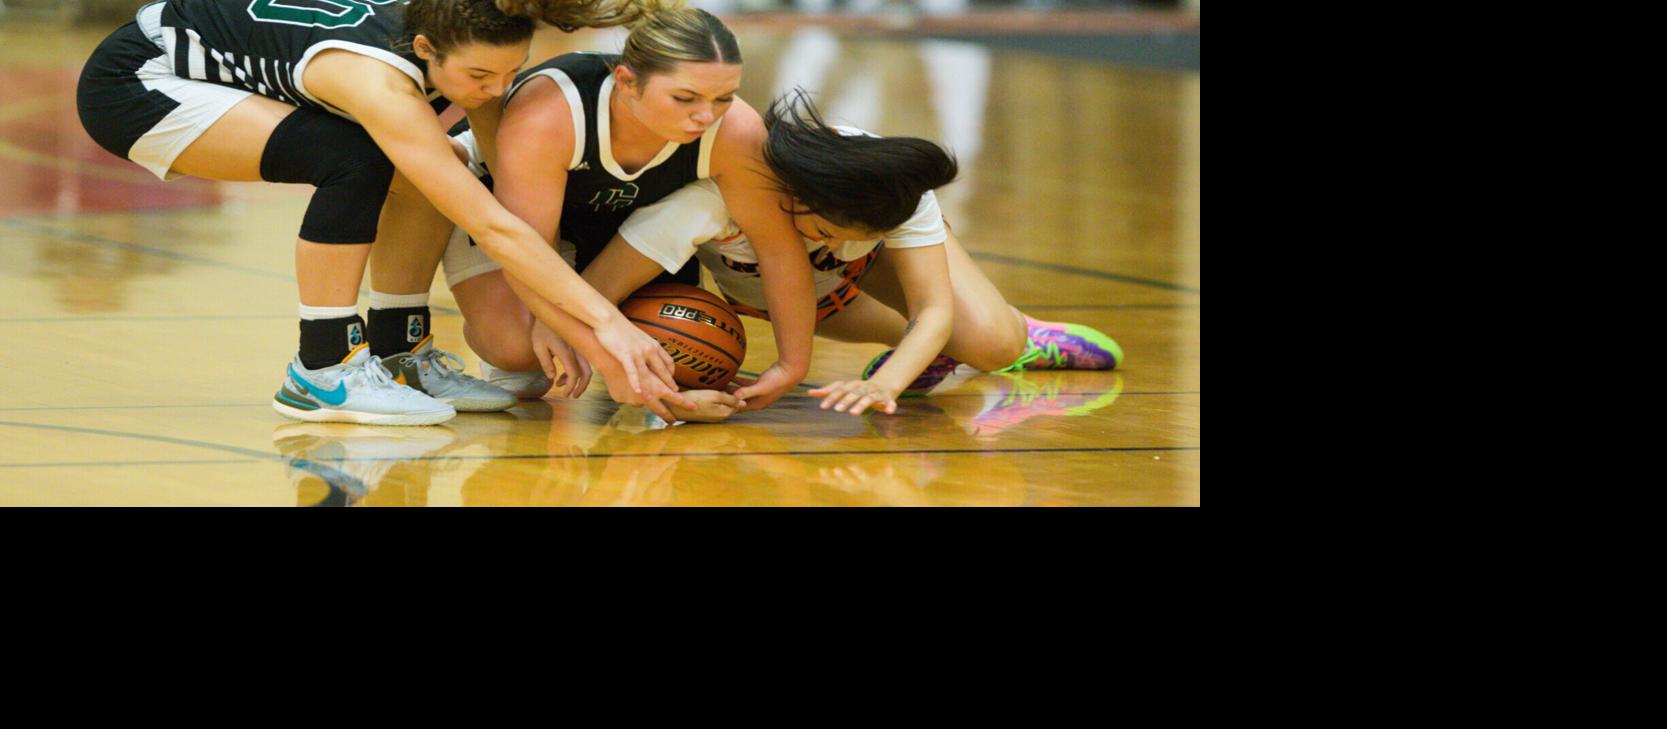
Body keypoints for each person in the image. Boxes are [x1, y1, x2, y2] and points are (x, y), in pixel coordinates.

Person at [75, 0, 681, 426]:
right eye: (479, 77)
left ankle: (400, 352)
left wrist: (555, 301)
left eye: (511, 73)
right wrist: (605, 325)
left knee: (433, 162)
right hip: (140, 81)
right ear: (424, 50)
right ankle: (321, 368)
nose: (495, 90)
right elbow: (493, 228)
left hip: (236, 57)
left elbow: (505, 193)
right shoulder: (377, 77)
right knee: (356, 159)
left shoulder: (464, 39)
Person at [570, 90, 1123, 421]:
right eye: (823, 230)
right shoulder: (708, 202)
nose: (829, 247)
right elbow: (591, 297)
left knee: (992, 344)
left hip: (866, 273)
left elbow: (932, 308)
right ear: (797, 195)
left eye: (842, 237)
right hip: (787, 298)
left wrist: (885, 386)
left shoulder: (889, 188)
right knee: (924, 339)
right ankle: (924, 356)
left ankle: (1023, 332)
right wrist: (656, 386)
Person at [402, 4, 821, 422]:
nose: (705, 116)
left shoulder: (736, 132)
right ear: (627, 82)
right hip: (519, 222)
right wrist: (585, 339)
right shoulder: (550, 114)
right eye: (685, 98)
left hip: (623, 223)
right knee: (517, 349)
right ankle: (496, 338)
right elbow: (524, 249)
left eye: (723, 98)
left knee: (675, 349)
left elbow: (778, 248)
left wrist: (792, 364)